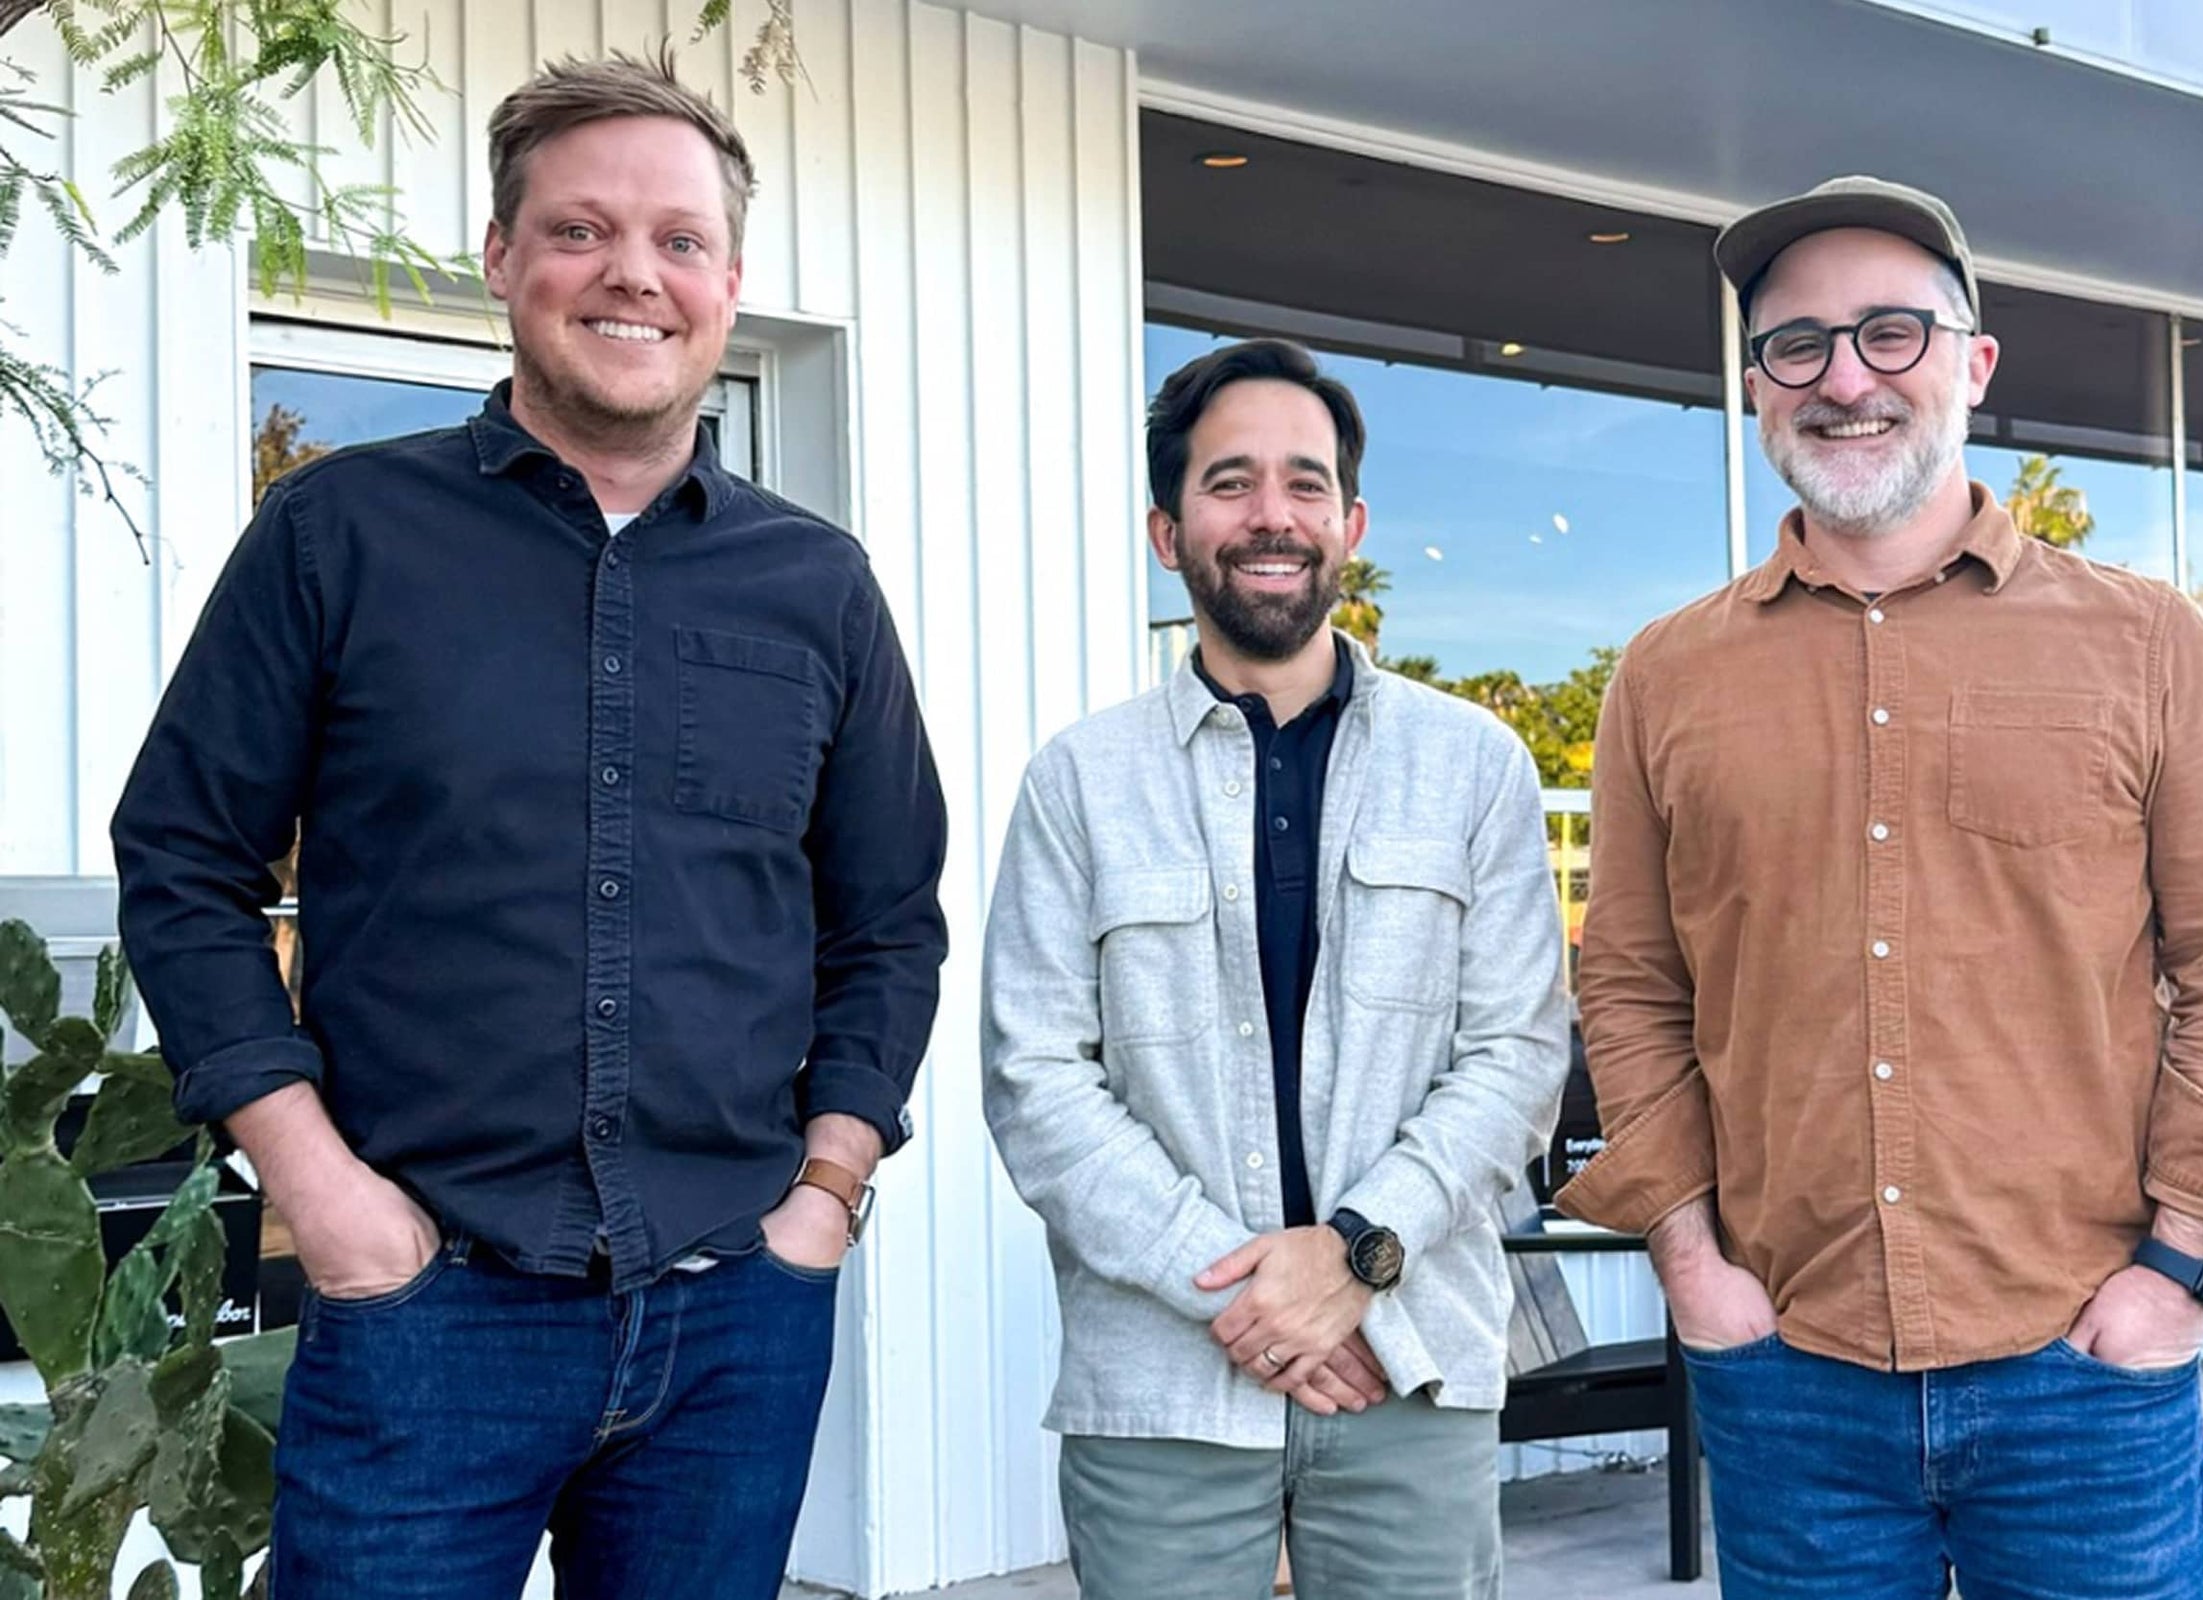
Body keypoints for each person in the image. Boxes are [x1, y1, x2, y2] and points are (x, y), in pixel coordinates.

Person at [111, 51, 946, 1600]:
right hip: (425, 1311)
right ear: (503, 259)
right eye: (582, 230)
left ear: (728, 281)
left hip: (734, 1322)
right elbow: (181, 863)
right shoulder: (340, 531)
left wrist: (826, 1195)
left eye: (680, 241)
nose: (635, 273)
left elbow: (888, 918)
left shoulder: (818, 585)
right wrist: (322, 1199)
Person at [1559, 174, 2203, 1599]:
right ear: (1755, 391)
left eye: (1892, 333)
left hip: (2084, 1370)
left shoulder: (2153, 646)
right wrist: (1689, 1260)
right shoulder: (1664, 677)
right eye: (1799, 345)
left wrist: (2180, 1271)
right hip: (1787, 1368)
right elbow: (1631, 981)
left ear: (1973, 365)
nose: (1845, 377)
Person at [982, 337, 1568, 1599]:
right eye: (1230, 481)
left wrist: (1354, 1255)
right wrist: (1252, 1294)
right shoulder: (1080, 782)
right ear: (1167, 528)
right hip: (1161, 1387)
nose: (1271, 516)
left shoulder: (1475, 766)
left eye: (1305, 484)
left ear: (1350, 523)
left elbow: (1518, 1057)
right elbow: (1036, 1080)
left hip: (1409, 1363)